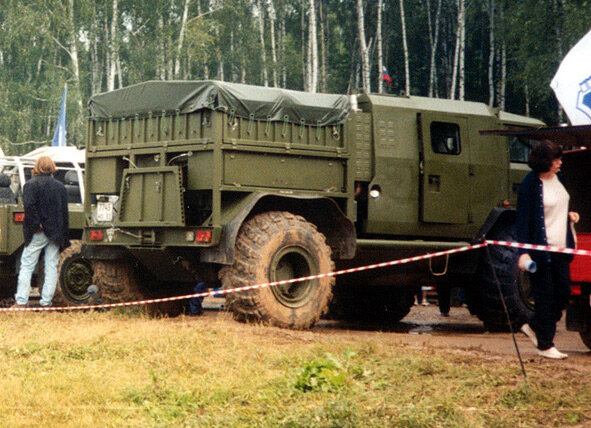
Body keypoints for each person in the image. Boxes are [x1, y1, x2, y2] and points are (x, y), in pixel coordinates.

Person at [516, 140, 579, 360]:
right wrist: (523, 251)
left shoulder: (559, 179)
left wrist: (569, 214)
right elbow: (522, 220)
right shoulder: (529, 185)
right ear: (545, 162)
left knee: (563, 294)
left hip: (562, 248)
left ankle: (533, 326)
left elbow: (559, 204)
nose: (560, 163)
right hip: (540, 250)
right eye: (556, 159)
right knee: (545, 296)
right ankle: (545, 344)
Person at [13, 156, 69, 308]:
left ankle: (21, 302)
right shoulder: (60, 187)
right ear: (52, 167)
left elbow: (30, 209)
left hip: (37, 232)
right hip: (55, 234)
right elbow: (64, 213)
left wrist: (37, 227)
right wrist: (64, 237)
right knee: (51, 267)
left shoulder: (30, 186)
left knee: (27, 266)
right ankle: (46, 303)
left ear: (37, 167)